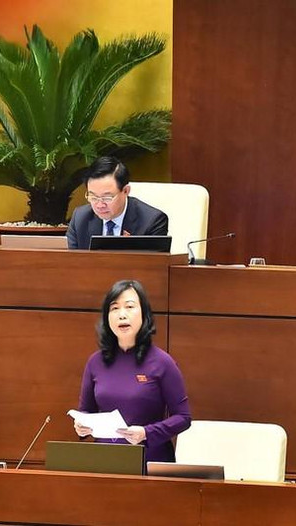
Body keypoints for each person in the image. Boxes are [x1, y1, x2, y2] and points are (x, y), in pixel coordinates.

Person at [74, 280, 191, 462]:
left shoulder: (162, 362)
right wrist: (82, 425)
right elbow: (86, 411)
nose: (122, 315)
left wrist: (146, 433)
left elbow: (183, 417)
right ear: (106, 317)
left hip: (149, 461)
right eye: (114, 308)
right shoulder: (95, 362)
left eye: (129, 307)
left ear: (144, 314)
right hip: (105, 461)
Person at [66, 156, 168, 249]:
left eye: (107, 197)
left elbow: (154, 266)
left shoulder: (152, 221)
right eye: (93, 197)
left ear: (126, 191)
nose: (99, 205)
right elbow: (69, 262)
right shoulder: (80, 218)